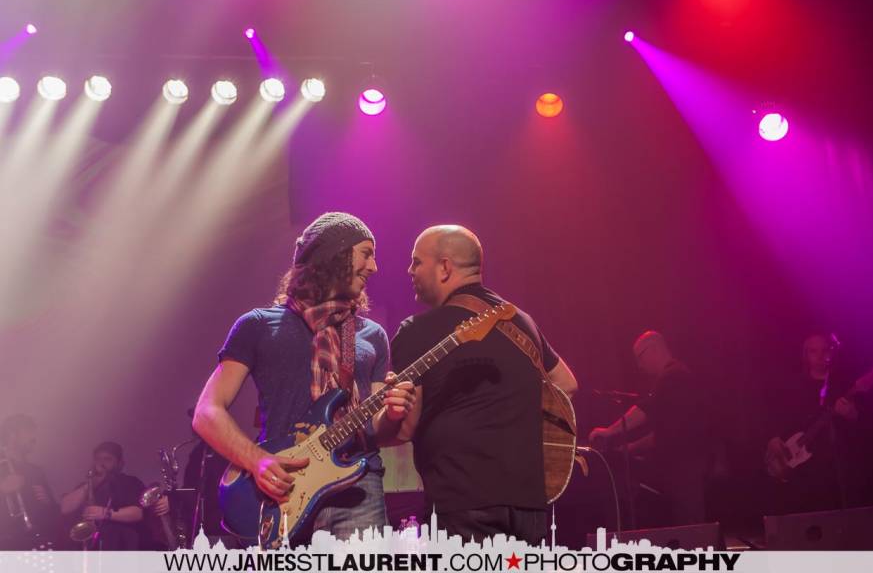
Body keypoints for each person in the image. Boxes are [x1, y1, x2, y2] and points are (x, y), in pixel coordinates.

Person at [192, 212, 415, 542]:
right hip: (285, 489)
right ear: (334, 254)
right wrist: (257, 462)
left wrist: (393, 414)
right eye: (366, 254)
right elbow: (207, 412)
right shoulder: (259, 325)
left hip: (359, 487)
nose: (374, 267)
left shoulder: (372, 335)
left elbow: (377, 432)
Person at [388, 225, 578, 545]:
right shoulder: (521, 320)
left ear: (445, 267)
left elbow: (404, 428)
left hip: (461, 503)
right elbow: (566, 384)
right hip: (529, 504)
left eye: (417, 261)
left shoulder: (416, 330)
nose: (409, 270)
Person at [589, 331, 713, 526]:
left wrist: (609, 431)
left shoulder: (673, 376)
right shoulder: (675, 377)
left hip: (685, 469)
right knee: (688, 526)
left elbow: (646, 409)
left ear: (653, 349)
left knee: (691, 526)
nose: (639, 366)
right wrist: (630, 448)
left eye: (639, 358)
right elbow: (664, 432)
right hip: (683, 469)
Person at [763, 333, 873, 514]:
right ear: (805, 355)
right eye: (813, 351)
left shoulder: (841, 383)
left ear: (832, 352)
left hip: (835, 467)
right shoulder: (794, 384)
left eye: (824, 350)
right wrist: (774, 438)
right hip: (802, 470)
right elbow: (777, 414)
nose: (819, 356)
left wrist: (852, 414)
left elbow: (870, 426)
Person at [59, 441, 145, 550]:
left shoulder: (130, 482)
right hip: (90, 547)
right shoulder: (87, 485)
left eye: (107, 459)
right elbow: (65, 508)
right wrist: (90, 484)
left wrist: (105, 513)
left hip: (120, 546)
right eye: (98, 459)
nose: (101, 463)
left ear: (120, 463)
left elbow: (137, 513)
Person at [0, 414, 58, 549]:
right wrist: (2, 489)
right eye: (28, 432)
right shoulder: (2, 465)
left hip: (38, 541)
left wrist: (48, 501)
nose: (34, 438)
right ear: (12, 435)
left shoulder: (35, 471)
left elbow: (54, 511)